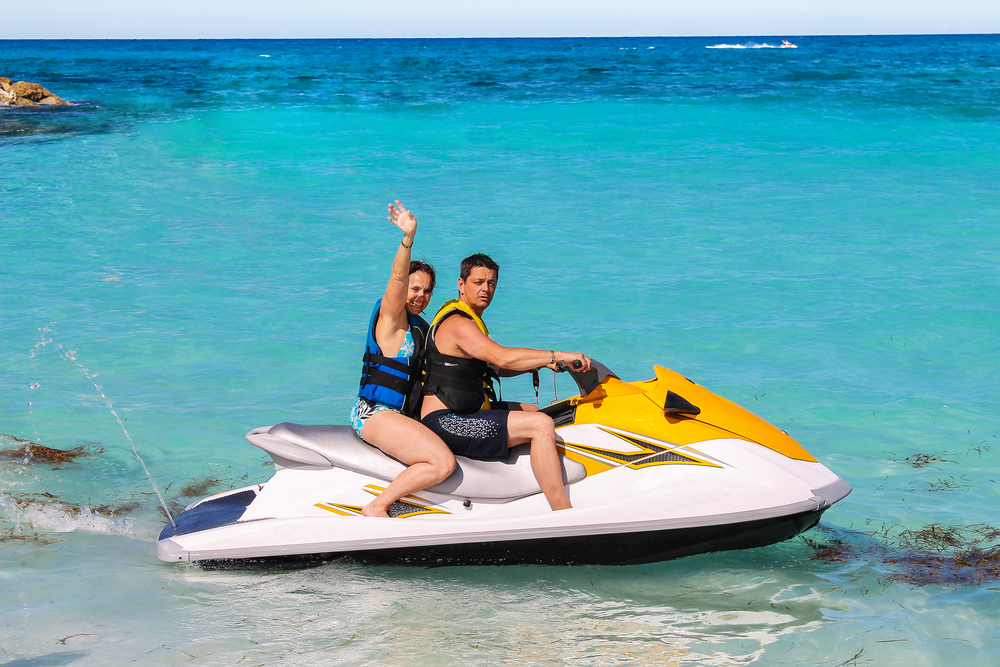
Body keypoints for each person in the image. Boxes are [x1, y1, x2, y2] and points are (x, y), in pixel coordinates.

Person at [419, 253, 591, 511]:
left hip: (467, 412)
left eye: (491, 283)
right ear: (461, 284)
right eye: (478, 282)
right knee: (540, 425)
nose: (485, 289)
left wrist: (540, 363)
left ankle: (527, 490)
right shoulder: (457, 323)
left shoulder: (472, 321)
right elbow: (501, 356)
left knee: (537, 412)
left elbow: (494, 367)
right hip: (448, 422)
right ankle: (562, 512)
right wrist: (558, 354)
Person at [350, 201, 456, 517]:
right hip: (373, 413)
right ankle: (377, 506)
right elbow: (397, 279)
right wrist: (408, 237)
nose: (419, 296)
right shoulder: (391, 318)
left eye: (426, 292)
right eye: (414, 289)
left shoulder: (422, 330)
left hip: (397, 416)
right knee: (442, 462)